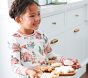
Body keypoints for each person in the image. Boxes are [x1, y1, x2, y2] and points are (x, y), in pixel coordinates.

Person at [8, 0, 80, 78]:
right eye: (32, 16)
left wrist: (66, 61)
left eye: (38, 14)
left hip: (45, 75)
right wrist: (28, 71)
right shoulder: (15, 39)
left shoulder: (41, 35)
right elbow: (15, 65)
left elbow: (50, 55)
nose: (37, 18)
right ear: (19, 20)